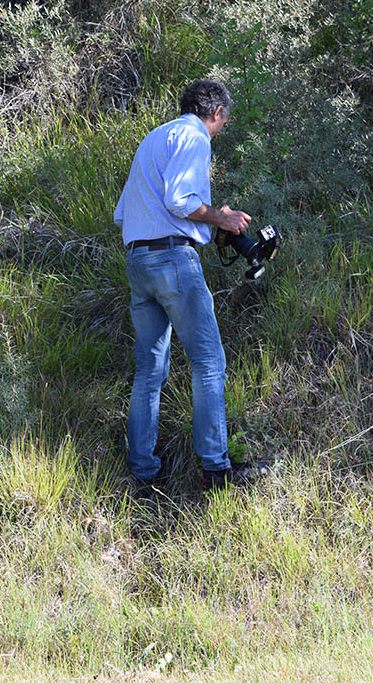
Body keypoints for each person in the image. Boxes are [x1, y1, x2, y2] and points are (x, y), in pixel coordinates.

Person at [114, 78, 265, 490]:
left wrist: (206, 223)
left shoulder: (154, 138)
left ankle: (142, 469)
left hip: (138, 261)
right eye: (223, 122)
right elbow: (179, 200)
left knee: (150, 369)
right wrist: (222, 219)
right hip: (172, 261)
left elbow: (123, 214)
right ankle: (215, 469)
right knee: (209, 364)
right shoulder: (194, 137)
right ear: (216, 113)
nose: (220, 129)